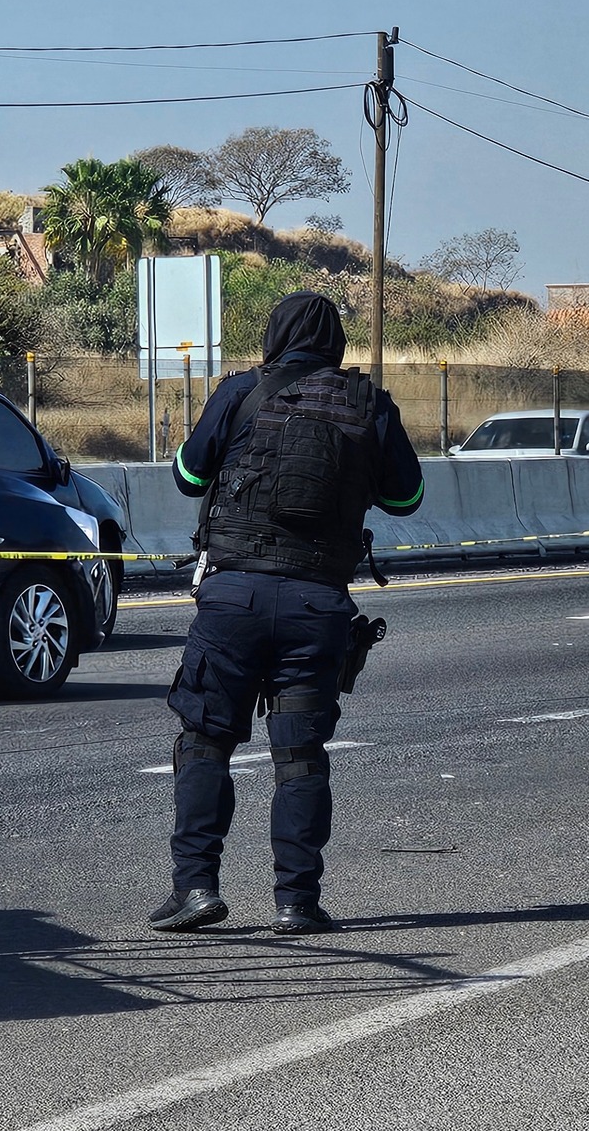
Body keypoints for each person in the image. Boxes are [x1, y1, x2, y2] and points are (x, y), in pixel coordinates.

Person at [149, 291, 424, 935]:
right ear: (337, 343)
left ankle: (196, 890)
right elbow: (407, 496)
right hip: (316, 604)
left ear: (275, 334)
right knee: (299, 756)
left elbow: (189, 476)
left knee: (205, 742)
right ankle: (296, 902)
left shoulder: (241, 391)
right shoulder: (369, 405)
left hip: (232, 602)